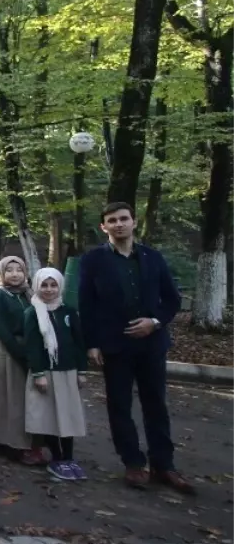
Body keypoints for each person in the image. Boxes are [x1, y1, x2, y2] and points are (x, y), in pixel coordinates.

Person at [78, 201, 192, 494]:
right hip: (115, 346)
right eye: (112, 220)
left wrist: (154, 322)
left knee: (156, 405)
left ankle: (163, 465)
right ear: (104, 227)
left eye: (123, 218)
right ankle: (132, 463)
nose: (119, 224)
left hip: (152, 344)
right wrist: (91, 343)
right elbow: (86, 304)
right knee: (120, 406)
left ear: (134, 222)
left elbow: (172, 299)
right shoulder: (93, 260)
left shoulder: (153, 258)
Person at [24, 268, 88, 481]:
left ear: (59, 286)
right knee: (49, 416)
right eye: (44, 285)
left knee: (67, 416)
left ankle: (69, 458)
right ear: (37, 286)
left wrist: (82, 370)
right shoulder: (32, 313)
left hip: (67, 372)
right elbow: (32, 346)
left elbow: (79, 342)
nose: (49, 290)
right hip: (46, 374)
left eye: (53, 285)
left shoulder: (68, 311)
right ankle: (57, 458)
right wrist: (39, 374)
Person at [0, 256, 42, 465]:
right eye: (9, 270)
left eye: (19, 269)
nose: (14, 274)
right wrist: (21, 354)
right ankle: (13, 443)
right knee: (13, 399)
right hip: (11, 352)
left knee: (33, 401)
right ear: (2, 274)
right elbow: (0, 328)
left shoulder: (31, 294)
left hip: (33, 351)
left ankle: (35, 443)